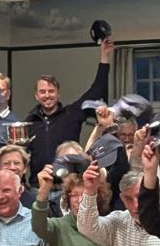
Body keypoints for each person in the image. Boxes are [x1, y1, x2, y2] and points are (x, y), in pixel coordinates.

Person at [25, 36, 113, 173]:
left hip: (69, 181)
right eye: (42, 92)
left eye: (51, 91)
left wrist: (104, 56)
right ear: (36, 96)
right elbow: (22, 156)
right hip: (38, 182)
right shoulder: (29, 122)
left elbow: (97, 88)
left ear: (58, 94)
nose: (47, 95)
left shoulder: (72, 114)